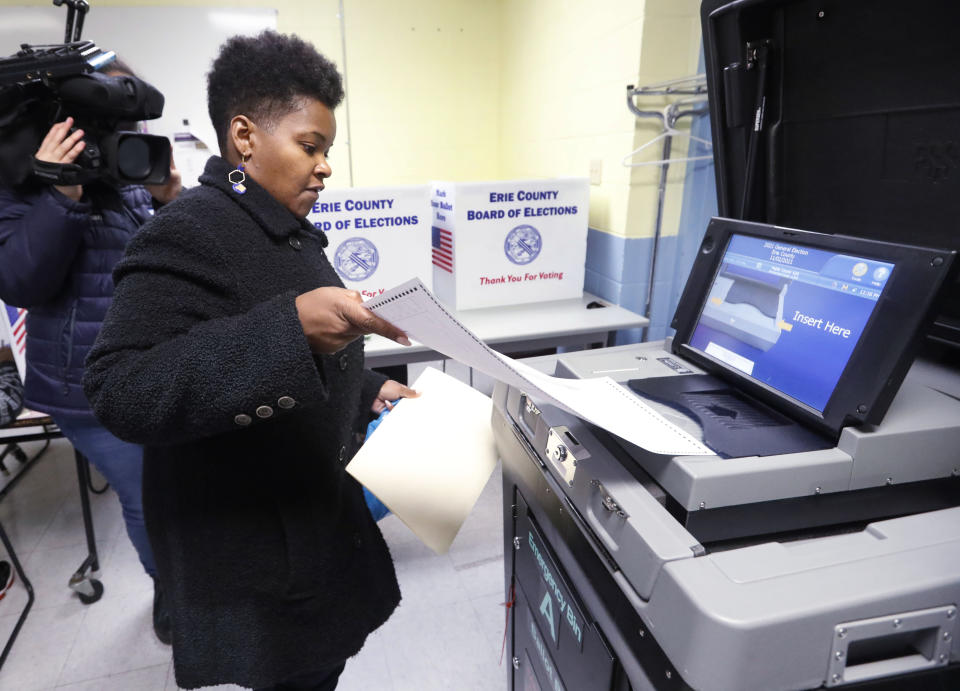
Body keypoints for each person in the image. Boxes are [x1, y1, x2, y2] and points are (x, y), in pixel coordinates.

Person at [83, 31, 417, 690]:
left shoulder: (283, 226)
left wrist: (372, 385)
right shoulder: (190, 229)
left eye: (327, 150)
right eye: (310, 146)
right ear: (244, 137)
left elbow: (298, 341)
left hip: (314, 526)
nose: (324, 167)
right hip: (264, 561)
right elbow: (120, 385)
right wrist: (290, 330)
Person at [0, 61, 180, 644]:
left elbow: (177, 251)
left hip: (163, 367)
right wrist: (61, 193)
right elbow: (21, 281)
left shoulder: (125, 166)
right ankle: (170, 596)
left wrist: (171, 196)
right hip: (89, 387)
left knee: (184, 490)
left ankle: (198, 580)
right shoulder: (15, 182)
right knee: (149, 500)